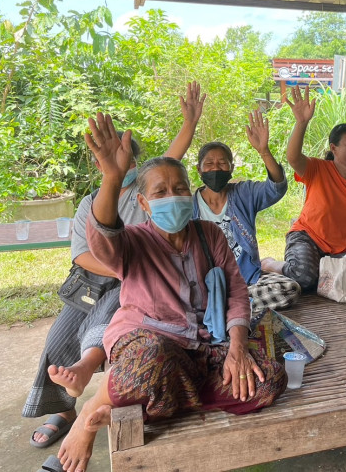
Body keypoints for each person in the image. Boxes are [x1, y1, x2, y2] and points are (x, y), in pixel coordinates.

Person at [55, 113, 286, 472]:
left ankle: (152, 402)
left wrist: (237, 349)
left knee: (269, 378)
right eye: (160, 192)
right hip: (149, 344)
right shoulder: (133, 242)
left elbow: (237, 294)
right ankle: (91, 413)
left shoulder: (210, 235)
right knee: (153, 360)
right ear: (144, 204)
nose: (172, 197)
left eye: (179, 189)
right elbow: (102, 238)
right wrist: (111, 177)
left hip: (202, 346)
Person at [25, 83, 204, 451]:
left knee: (108, 319)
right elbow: (81, 254)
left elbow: (171, 159)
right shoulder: (90, 204)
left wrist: (189, 124)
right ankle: (63, 409)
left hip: (132, 279)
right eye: (117, 162)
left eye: (131, 161)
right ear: (101, 164)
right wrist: (120, 266)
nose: (126, 168)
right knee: (58, 337)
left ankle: (85, 372)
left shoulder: (147, 197)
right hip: (93, 282)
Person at [261, 86, 346, 292]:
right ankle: (271, 264)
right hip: (307, 238)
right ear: (334, 148)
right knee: (304, 276)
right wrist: (301, 123)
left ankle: (320, 275)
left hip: (338, 251)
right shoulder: (318, 169)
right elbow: (293, 158)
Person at [192, 109, 300, 314]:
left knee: (289, 289)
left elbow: (277, 187)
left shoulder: (243, 193)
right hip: (206, 284)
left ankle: (224, 307)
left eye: (222, 163)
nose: (216, 168)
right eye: (209, 164)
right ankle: (229, 305)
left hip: (246, 280)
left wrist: (264, 151)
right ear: (199, 169)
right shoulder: (189, 206)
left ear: (231, 168)